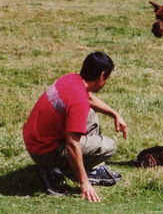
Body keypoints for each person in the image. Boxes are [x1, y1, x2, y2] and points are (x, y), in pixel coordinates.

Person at [23, 51, 127, 202]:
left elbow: (89, 98)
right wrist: (84, 183)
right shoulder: (79, 101)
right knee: (108, 145)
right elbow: (72, 144)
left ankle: (71, 167)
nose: (105, 83)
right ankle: (56, 170)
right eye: (107, 78)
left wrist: (114, 114)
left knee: (90, 114)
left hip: (34, 140)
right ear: (101, 75)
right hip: (43, 150)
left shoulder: (71, 79)